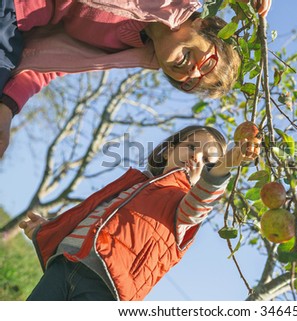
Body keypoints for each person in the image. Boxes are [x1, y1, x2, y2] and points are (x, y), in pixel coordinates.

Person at [0, 0, 272, 158]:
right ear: (202, 25)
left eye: (192, 83)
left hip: (12, 30)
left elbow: (50, 65)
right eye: (208, 62)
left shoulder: (130, 50)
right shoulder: (171, 4)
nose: (193, 72)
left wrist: (7, 108)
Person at [18, 125, 261, 300]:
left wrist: (228, 163)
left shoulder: (183, 208)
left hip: (107, 290)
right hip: (64, 266)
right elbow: (91, 216)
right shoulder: (133, 183)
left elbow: (202, 199)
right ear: (168, 150)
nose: (196, 158)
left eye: (208, 162)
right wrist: (48, 227)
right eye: (192, 147)